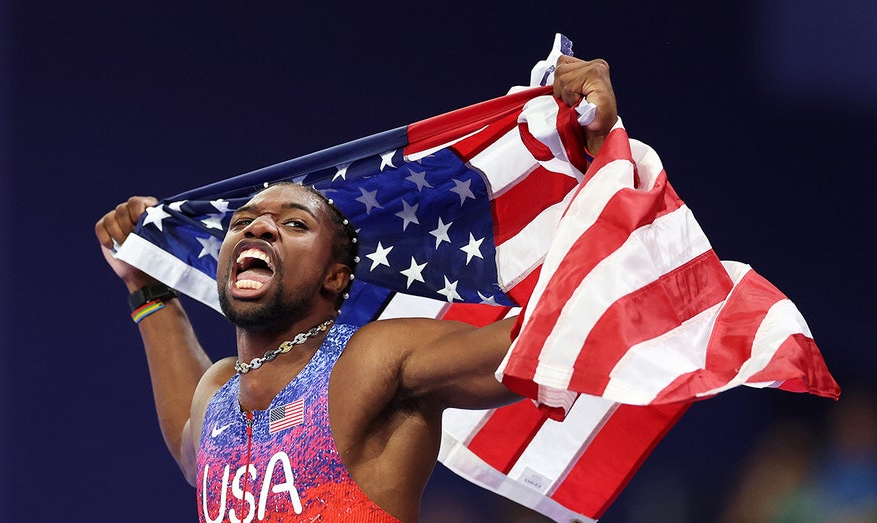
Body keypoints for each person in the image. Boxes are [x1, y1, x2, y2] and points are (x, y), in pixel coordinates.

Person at [95, 55, 617, 522]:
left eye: (295, 224)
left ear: (335, 276)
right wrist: (148, 290)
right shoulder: (220, 391)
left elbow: (542, 342)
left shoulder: (372, 359)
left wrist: (598, 166)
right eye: (245, 221)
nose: (258, 228)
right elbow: (193, 447)